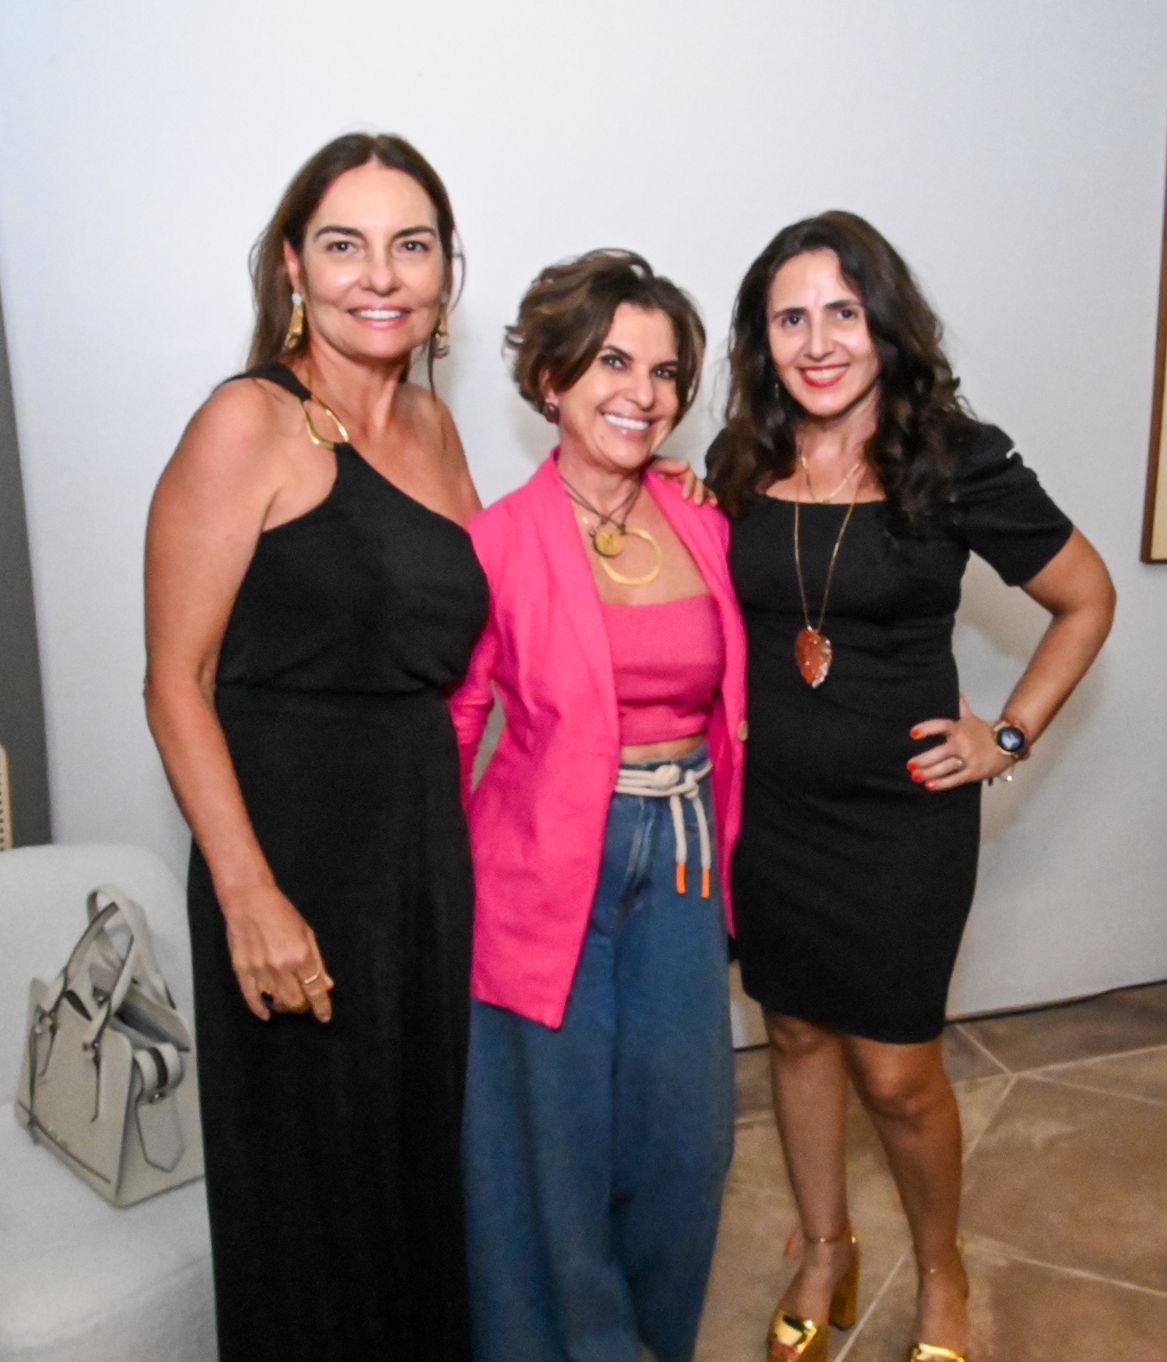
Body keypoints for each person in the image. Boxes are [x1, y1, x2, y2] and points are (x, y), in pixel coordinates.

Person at [709, 212, 1117, 1362]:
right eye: (790, 318)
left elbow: (1085, 597)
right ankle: (824, 1246)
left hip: (901, 821)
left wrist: (1008, 734)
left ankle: (942, 1273)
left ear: (884, 325)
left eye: (841, 312)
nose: (817, 342)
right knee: (794, 1031)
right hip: (774, 812)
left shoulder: (953, 460)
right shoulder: (738, 464)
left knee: (894, 1072)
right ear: (761, 339)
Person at [143, 133, 485, 1359]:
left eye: (410, 246)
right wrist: (248, 896)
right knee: (310, 1199)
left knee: (413, 1169)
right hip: (289, 857)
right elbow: (175, 682)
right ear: (294, 266)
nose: (379, 276)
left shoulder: (436, 430)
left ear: (445, 271)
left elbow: (497, 620)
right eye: (345, 245)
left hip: (419, 854)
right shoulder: (248, 423)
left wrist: (659, 492)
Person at [450, 250, 747, 1362]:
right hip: (540, 872)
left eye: (664, 373)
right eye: (613, 362)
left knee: (683, 1144)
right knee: (552, 1155)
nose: (642, 393)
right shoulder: (495, 542)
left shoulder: (704, 520)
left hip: (684, 857)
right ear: (552, 380)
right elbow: (455, 725)